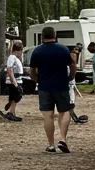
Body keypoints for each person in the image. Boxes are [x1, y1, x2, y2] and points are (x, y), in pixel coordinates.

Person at [29, 26, 77, 154]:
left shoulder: (37, 51)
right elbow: (73, 64)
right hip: (61, 85)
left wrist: (37, 80)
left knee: (48, 115)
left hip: (44, 87)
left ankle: (51, 145)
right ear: (55, 35)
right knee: (65, 111)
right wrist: (71, 76)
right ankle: (63, 139)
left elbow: (32, 70)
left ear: (42, 36)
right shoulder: (63, 49)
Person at [2, 41, 25, 122]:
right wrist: (14, 82)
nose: (21, 53)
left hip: (17, 79)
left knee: (15, 97)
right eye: (21, 51)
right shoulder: (12, 57)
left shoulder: (15, 58)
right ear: (18, 50)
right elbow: (9, 69)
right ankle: (10, 113)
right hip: (13, 81)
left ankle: (12, 112)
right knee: (17, 96)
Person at [68, 45, 89, 125]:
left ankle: (73, 116)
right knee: (70, 103)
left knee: (71, 102)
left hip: (70, 84)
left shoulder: (75, 57)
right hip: (68, 84)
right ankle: (74, 117)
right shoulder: (71, 56)